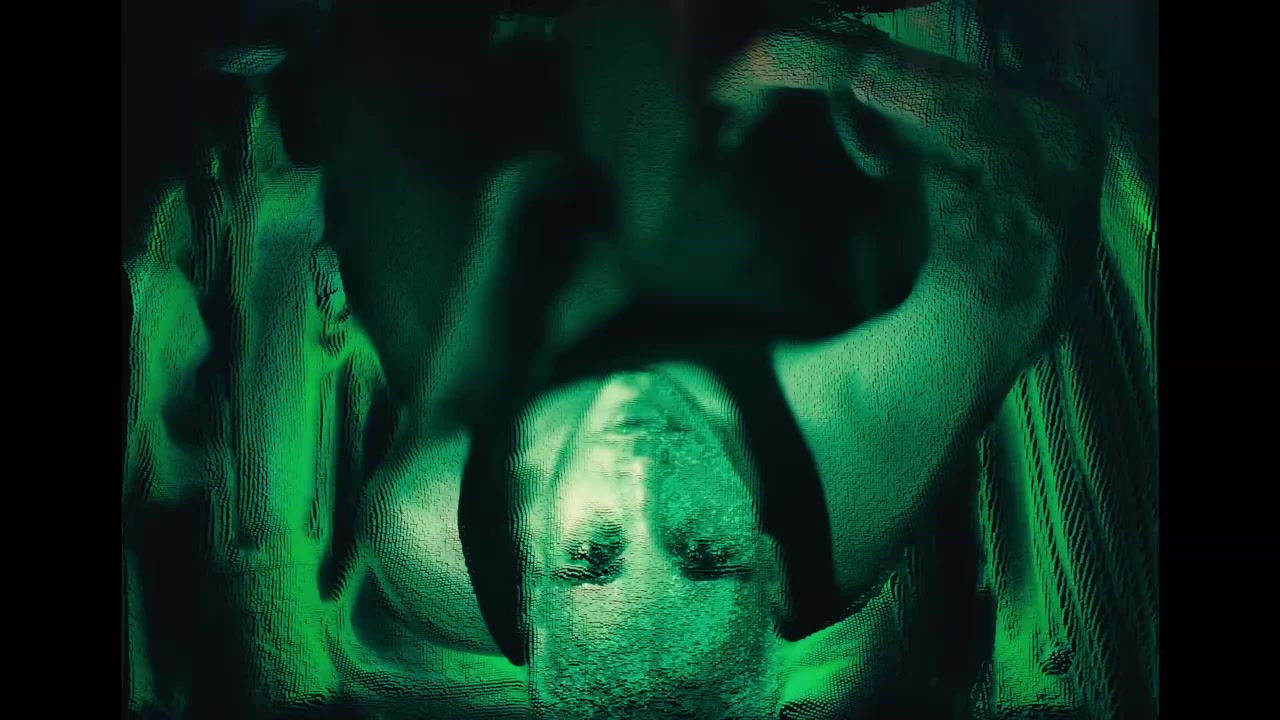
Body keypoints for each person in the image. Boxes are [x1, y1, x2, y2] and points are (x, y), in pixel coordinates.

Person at [123, 2, 1139, 719]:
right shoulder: (852, 465)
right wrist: (849, 69)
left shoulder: (428, 540)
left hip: (532, 348)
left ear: (529, 567)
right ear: (769, 563)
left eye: (595, 552)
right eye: (703, 548)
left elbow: (457, 400)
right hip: (736, 309)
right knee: (645, 60)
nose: (645, 479)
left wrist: (509, 218)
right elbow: (1028, 213)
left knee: (372, 100)